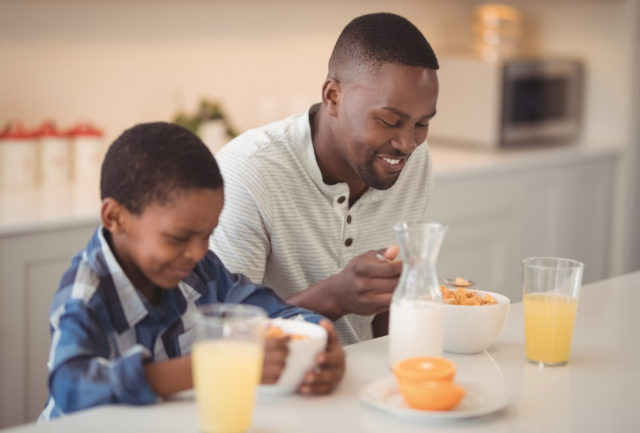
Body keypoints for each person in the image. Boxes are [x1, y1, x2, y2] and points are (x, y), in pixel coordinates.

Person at [39, 122, 345, 421]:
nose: (198, 252)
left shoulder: (199, 269)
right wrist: (209, 367)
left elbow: (269, 312)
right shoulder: (85, 291)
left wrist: (319, 341)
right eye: (179, 238)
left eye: (207, 235)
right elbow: (71, 386)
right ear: (115, 217)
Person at [210, 12, 439, 345]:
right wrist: (333, 298)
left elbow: (388, 315)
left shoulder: (414, 163)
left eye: (421, 124)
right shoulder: (249, 171)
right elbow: (222, 333)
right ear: (333, 96)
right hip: (269, 386)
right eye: (390, 121)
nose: (407, 144)